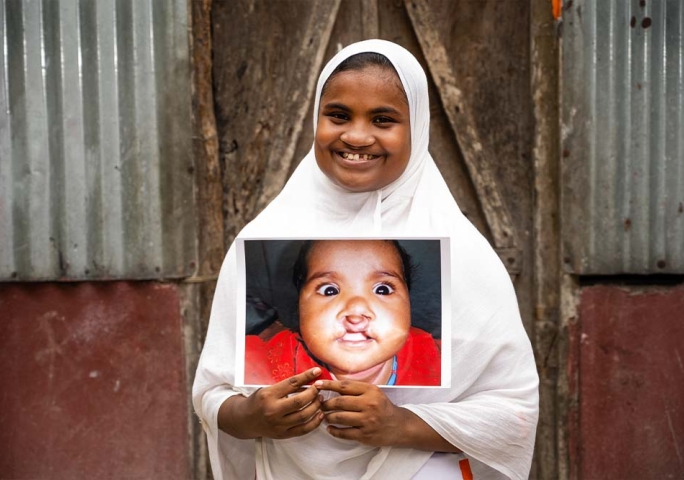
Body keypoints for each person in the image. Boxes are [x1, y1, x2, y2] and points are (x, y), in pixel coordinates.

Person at [193, 39, 539, 480]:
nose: (356, 136)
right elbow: (211, 392)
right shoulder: (259, 237)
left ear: (418, 129)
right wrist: (248, 416)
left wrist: (402, 425)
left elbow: (513, 413)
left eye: (383, 119)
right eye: (338, 115)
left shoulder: (468, 258)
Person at [244, 239, 442, 386]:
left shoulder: (438, 357)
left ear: (408, 302)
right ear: (299, 307)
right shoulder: (266, 362)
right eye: (329, 290)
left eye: (383, 289)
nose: (356, 312)